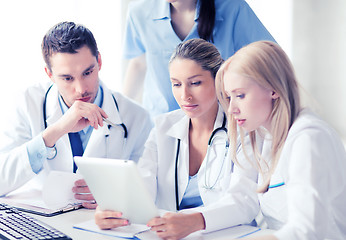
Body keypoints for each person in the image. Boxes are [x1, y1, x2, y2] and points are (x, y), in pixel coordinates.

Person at [95, 39, 258, 239]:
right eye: (176, 84)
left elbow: (244, 202)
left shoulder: (242, 129)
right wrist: (115, 209)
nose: (184, 95)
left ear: (219, 81)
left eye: (195, 83)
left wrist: (195, 221)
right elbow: (143, 183)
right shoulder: (163, 127)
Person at [0, 22, 152, 208]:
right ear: (49, 74)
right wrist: (54, 132)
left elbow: (149, 191)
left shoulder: (137, 117)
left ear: (100, 62)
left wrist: (113, 192)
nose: (81, 89)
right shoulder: (26, 103)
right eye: (67, 78)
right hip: (43, 220)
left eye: (87, 72)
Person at [215, 40, 346, 239]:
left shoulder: (308, 139)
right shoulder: (265, 135)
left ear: (273, 89)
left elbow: (307, 230)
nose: (231, 109)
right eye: (228, 97)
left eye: (240, 95)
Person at [122, 0, 275, 117]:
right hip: (160, 118)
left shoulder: (232, 7)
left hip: (218, 118)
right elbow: (138, 63)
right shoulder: (140, 11)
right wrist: (121, 109)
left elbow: (268, 55)